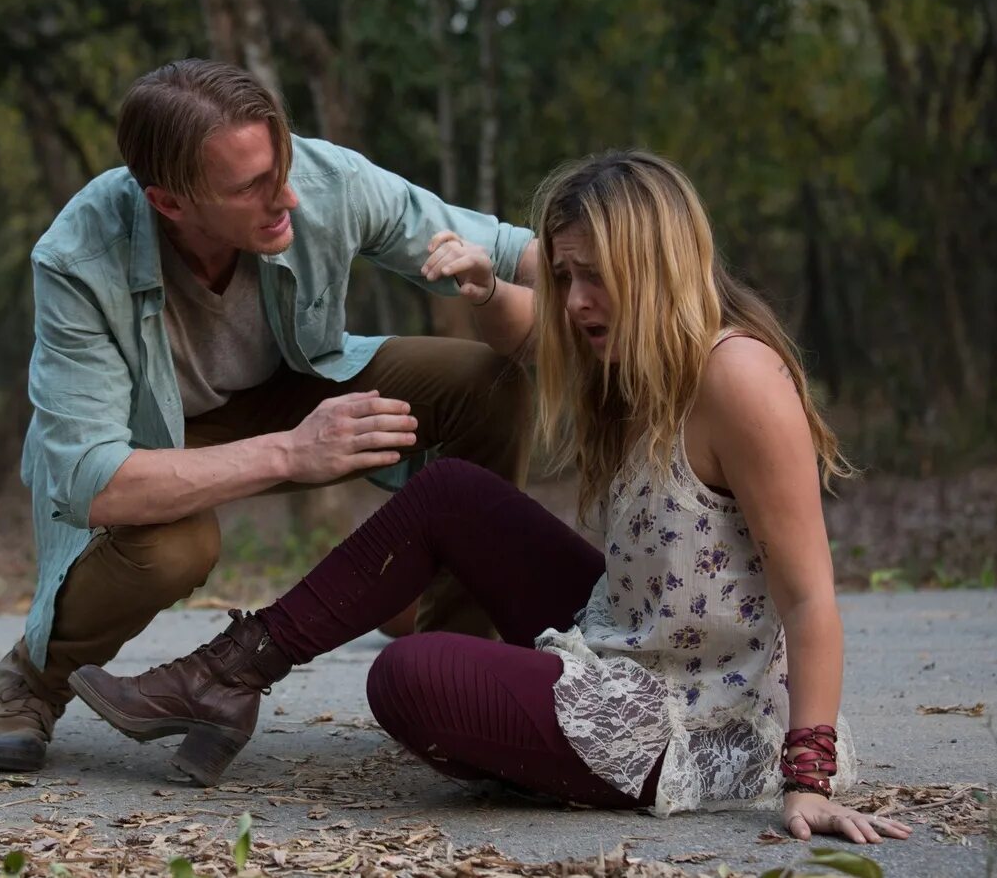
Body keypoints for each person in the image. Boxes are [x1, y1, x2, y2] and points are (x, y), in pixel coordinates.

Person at [68, 151, 915, 844]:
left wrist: (808, 775)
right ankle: (230, 672)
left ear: (660, 267)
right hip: (625, 642)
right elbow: (528, 329)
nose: (579, 298)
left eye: (599, 276)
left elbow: (809, 597)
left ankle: (526, 730)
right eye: (567, 273)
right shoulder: (632, 343)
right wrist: (481, 286)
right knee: (451, 494)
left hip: (697, 721)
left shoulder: (739, 377)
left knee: (411, 675)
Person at [0, 59, 542, 773]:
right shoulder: (79, 255)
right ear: (169, 203)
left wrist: (652, 285)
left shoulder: (322, 183)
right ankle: (33, 676)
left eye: (282, 167)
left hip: (298, 385)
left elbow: (512, 250)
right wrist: (292, 453)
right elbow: (95, 480)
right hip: (161, 438)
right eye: (251, 188)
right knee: (173, 548)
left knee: (487, 384)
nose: (288, 198)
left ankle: (456, 658)